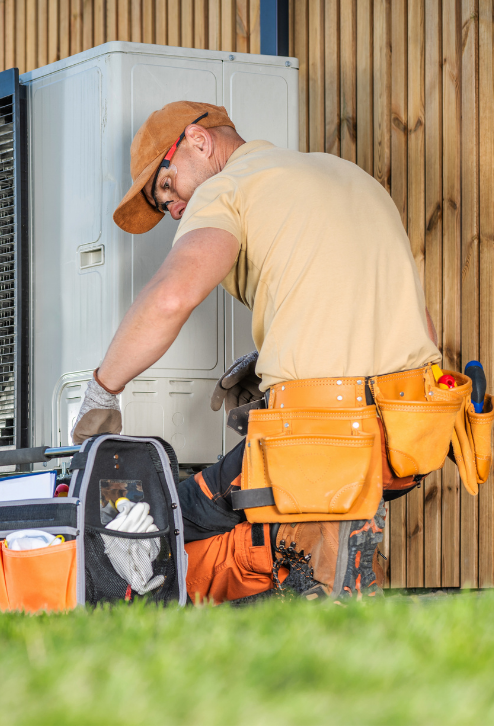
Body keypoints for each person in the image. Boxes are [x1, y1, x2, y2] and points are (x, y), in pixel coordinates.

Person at [69, 100, 444, 603]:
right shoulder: (348, 175)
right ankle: (327, 558)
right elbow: (418, 324)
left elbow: (171, 297)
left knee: (163, 515)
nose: (174, 209)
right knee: (270, 504)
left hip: (323, 436)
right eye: (164, 206)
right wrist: (278, 361)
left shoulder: (228, 187)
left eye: (167, 186)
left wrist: (103, 389)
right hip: (409, 437)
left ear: (198, 141)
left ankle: (311, 573)